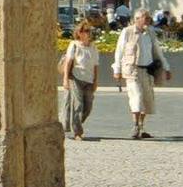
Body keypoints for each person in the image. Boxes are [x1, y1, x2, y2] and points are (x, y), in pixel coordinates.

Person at [113, 9, 171, 139]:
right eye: (146, 19)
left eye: (148, 19)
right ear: (137, 19)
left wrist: (166, 67)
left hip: (148, 70)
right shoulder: (127, 32)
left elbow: (157, 51)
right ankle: (135, 125)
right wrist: (117, 69)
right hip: (132, 69)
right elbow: (119, 51)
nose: (148, 21)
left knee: (147, 100)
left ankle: (141, 126)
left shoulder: (150, 33)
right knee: (137, 97)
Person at [61, 19, 100, 139]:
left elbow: (95, 66)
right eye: (85, 31)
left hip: (89, 79)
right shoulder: (74, 45)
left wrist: (95, 82)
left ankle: (76, 123)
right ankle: (77, 132)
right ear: (79, 33)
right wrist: (66, 79)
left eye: (89, 31)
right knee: (78, 105)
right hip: (76, 77)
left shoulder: (93, 47)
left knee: (88, 107)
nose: (88, 33)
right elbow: (68, 62)